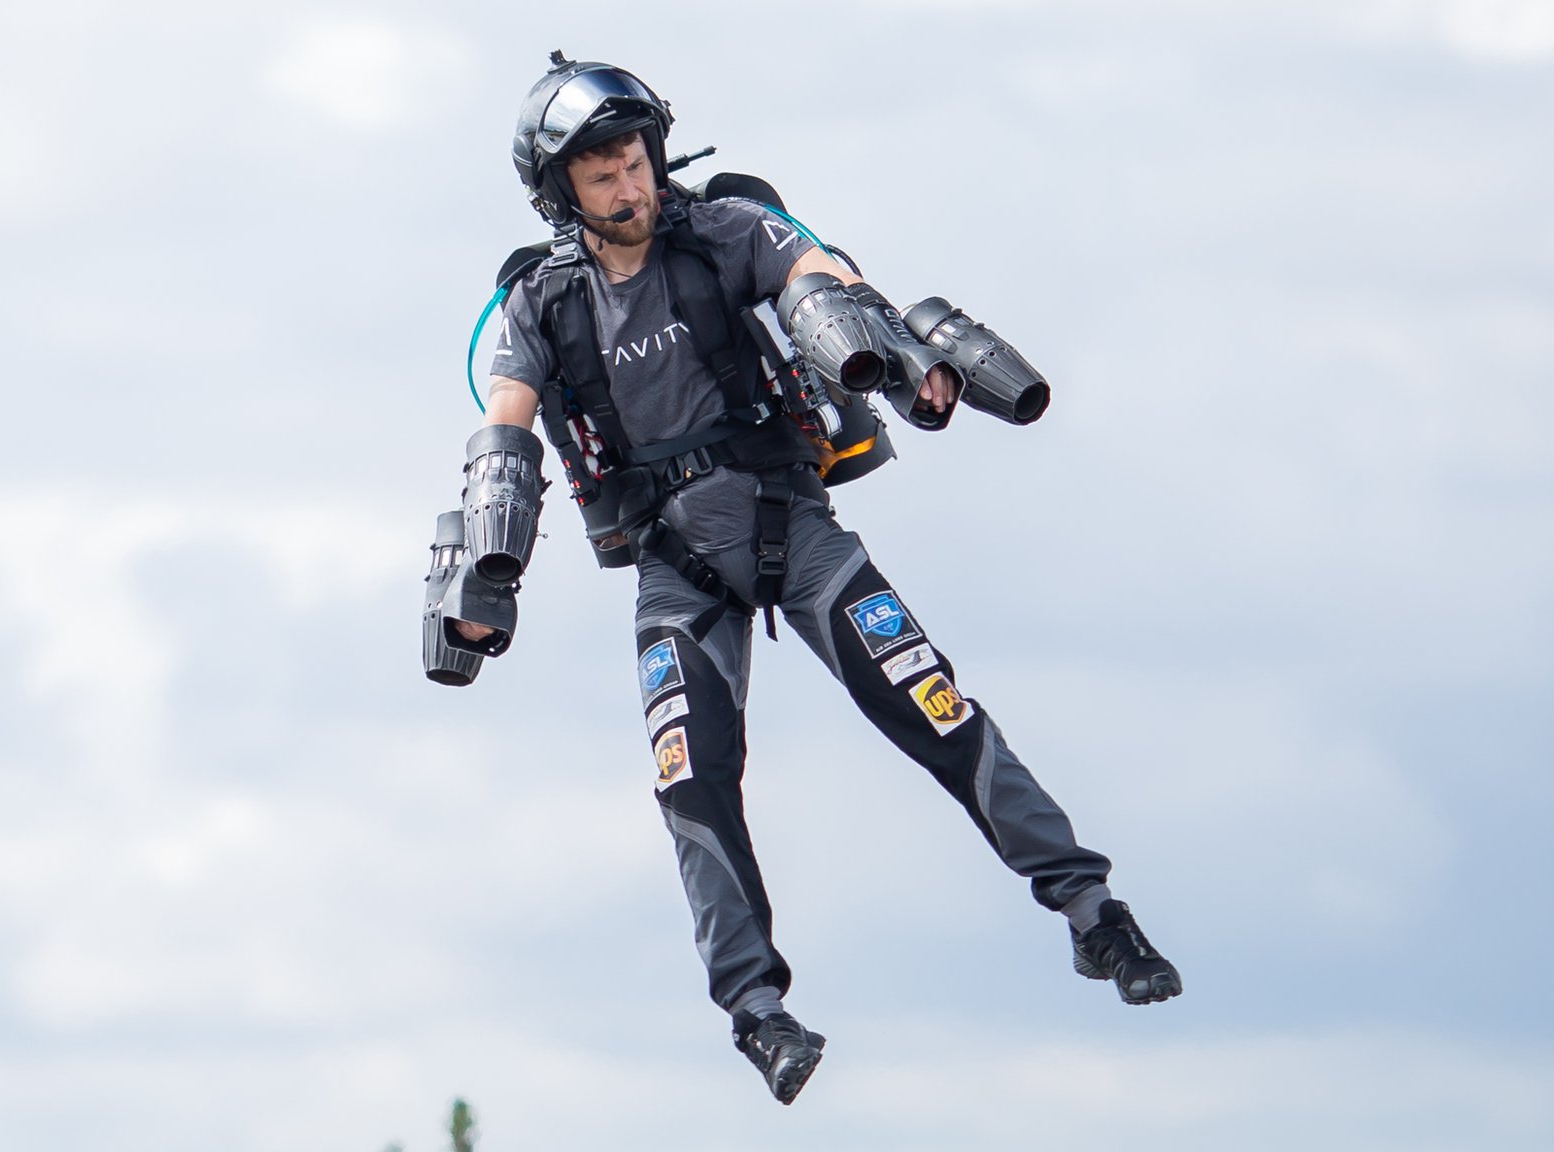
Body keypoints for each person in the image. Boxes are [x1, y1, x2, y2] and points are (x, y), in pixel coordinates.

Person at [435, 54, 1181, 1107]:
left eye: (633, 155)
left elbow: (813, 277)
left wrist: (885, 344)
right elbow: (503, 421)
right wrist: (485, 577)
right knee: (689, 783)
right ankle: (757, 1011)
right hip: (674, 570)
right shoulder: (538, 305)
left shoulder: (729, 231)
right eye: (599, 167)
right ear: (560, 189)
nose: (627, 180)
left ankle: (1091, 913)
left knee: (933, 706)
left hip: (793, 527)